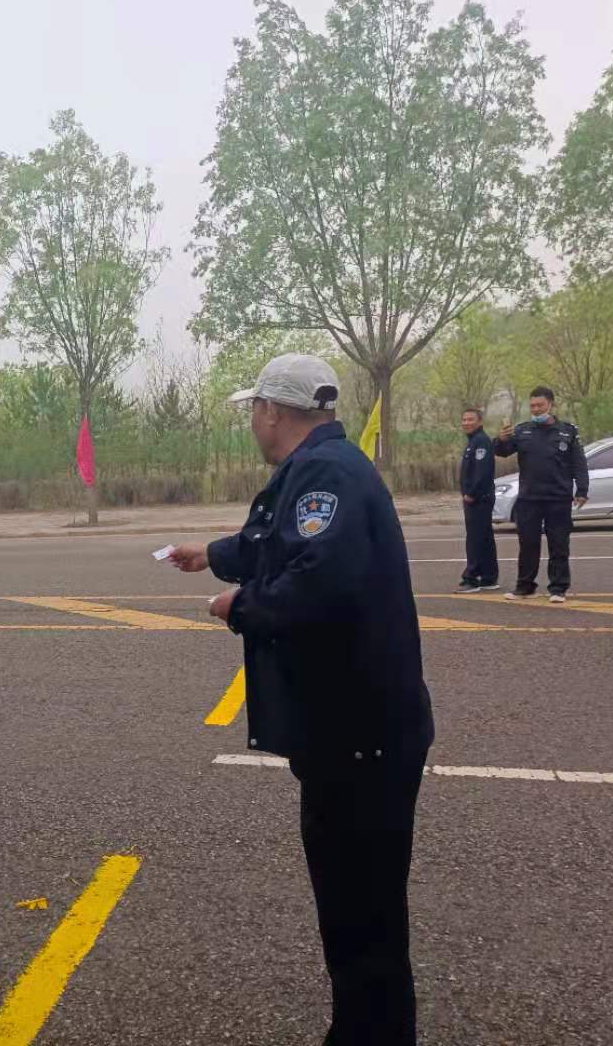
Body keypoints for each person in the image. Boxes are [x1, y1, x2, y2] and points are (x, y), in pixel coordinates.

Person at [170, 354, 434, 1046]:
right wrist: (213, 554)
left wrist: (239, 606)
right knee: (355, 905)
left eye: (253, 410)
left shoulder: (325, 475)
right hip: (354, 731)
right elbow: (278, 543)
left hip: (360, 736)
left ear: (273, 412)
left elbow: (318, 583)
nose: (252, 422)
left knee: (361, 909)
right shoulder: (324, 468)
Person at [494, 387, 588, 603]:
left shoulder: (568, 431)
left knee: (559, 545)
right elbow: (502, 451)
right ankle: (524, 587)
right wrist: (500, 439)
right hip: (529, 499)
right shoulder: (522, 431)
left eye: (540, 405)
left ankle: (558, 588)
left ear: (551, 405)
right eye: (533, 406)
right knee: (528, 544)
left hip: (558, 498)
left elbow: (579, 463)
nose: (536, 409)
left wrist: (582, 489)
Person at [456, 407, 499, 594]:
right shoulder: (473, 441)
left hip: (478, 499)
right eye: (464, 419)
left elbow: (482, 472)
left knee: (475, 539)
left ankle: (471, 578)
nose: (466, 423)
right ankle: (489, 577)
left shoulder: (480, 441)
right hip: (478, 498)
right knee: (484, 538)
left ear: (480, 422)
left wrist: (471, 493)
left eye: (470, 419)